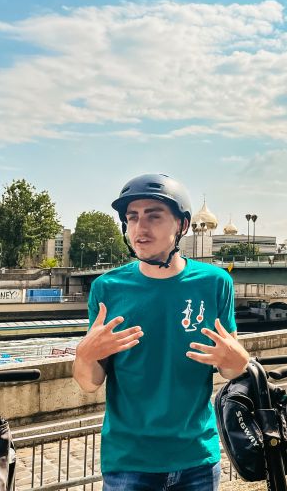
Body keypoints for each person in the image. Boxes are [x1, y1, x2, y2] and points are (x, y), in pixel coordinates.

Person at [73, 173, 250, 491]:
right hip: (129, 462)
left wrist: (240, 359)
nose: (140, 228)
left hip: (197, 458)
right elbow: (89, 383)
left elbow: (230, 368)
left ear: (182, 225)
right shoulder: (107, 289)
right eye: (132, 217)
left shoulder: (215, 283)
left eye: (153, 216)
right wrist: (84, 355)